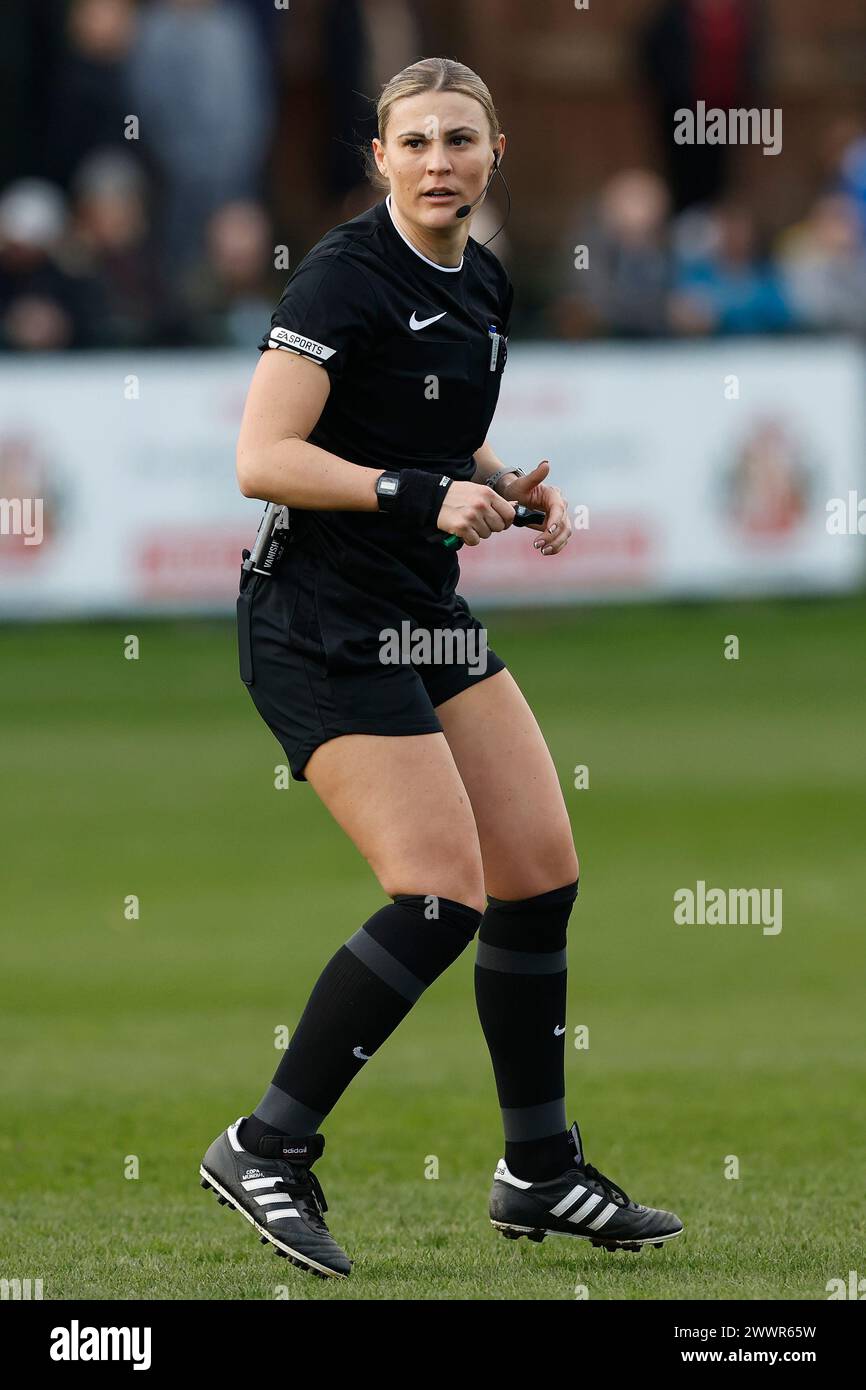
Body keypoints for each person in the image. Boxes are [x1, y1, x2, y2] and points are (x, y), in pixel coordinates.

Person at [200, 57, 683, 1281]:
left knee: (537, 871)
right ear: (379, 158)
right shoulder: (342, 276)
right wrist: (417, 494)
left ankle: (538, 1171)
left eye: (458, 139)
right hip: (315, 617)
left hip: (418, 603)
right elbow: (261, 455)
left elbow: (434, 425)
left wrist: (507, 487)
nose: (436, 161)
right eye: (412, 141)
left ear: (493, 151)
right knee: (436, 895)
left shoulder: (480, 281)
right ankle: (264, 1147)